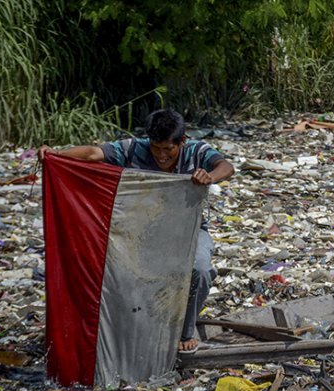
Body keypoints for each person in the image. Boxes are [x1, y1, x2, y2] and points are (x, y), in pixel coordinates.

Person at [38, 109, 235, 354]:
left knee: (201, 270)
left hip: (189, 229)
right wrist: (56, 154)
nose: (161, 156)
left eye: (168, 150)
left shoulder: (196, 151)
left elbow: (226, 166)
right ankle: (125, 328)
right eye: (156, 148)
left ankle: (185, 330)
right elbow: (93, 153)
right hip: (142, 229)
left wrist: (210, 177)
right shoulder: (133, 148)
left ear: (182, 141)